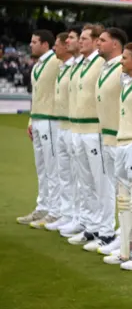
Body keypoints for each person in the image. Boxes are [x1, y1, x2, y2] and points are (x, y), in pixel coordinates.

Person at [103, 42, 132, 267]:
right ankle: (126, 248)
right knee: (124, 199)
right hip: (123, 140)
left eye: (125, 58)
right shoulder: (127, 80)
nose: (121, 62)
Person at [84, 27, 126, 253]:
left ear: (115, 44)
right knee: (109, 185)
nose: (97, 43)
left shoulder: (122, 66)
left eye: (102, 40)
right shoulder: (106, 67)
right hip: (106, 134)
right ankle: (108, 229)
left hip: (121, 136)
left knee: (118, 189)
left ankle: (111, 232)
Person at [67, 24, 109, 246]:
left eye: (84, 38)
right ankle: (90, 225)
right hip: (78, 129)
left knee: (100, 182)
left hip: (94, 130)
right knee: (84, 182)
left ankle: (106, 230)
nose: (80, 41)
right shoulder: (80, 64)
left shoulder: (101, 63)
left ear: (95, 41)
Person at [17, 30, 60, 227]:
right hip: (38, 119)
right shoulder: (39, 64)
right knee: (42, 168)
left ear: (45, 44)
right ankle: (42, 207)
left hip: (51, 119)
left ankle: (55, 210)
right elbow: (36, 95)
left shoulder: (56, 62)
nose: (30, 45)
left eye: (34, 42)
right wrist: (30, 120)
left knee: (52, 168)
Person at [44, 32, 77, 232]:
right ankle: (67, 214)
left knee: (79, 177)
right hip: (63, 124)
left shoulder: (74, 66)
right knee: (65, 173)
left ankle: (81, 218)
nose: (55, 48)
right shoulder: (65, 67)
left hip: (76, 126)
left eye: (58, 44)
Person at [58, 28, 87, 238]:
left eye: (73, 38)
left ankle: (83, 220)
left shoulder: (89, 64)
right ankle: (71, 215)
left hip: (85, 127)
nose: (68, 41)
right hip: (69, 124)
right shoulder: (73, 65)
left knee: (86, 180)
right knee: (69, 175)